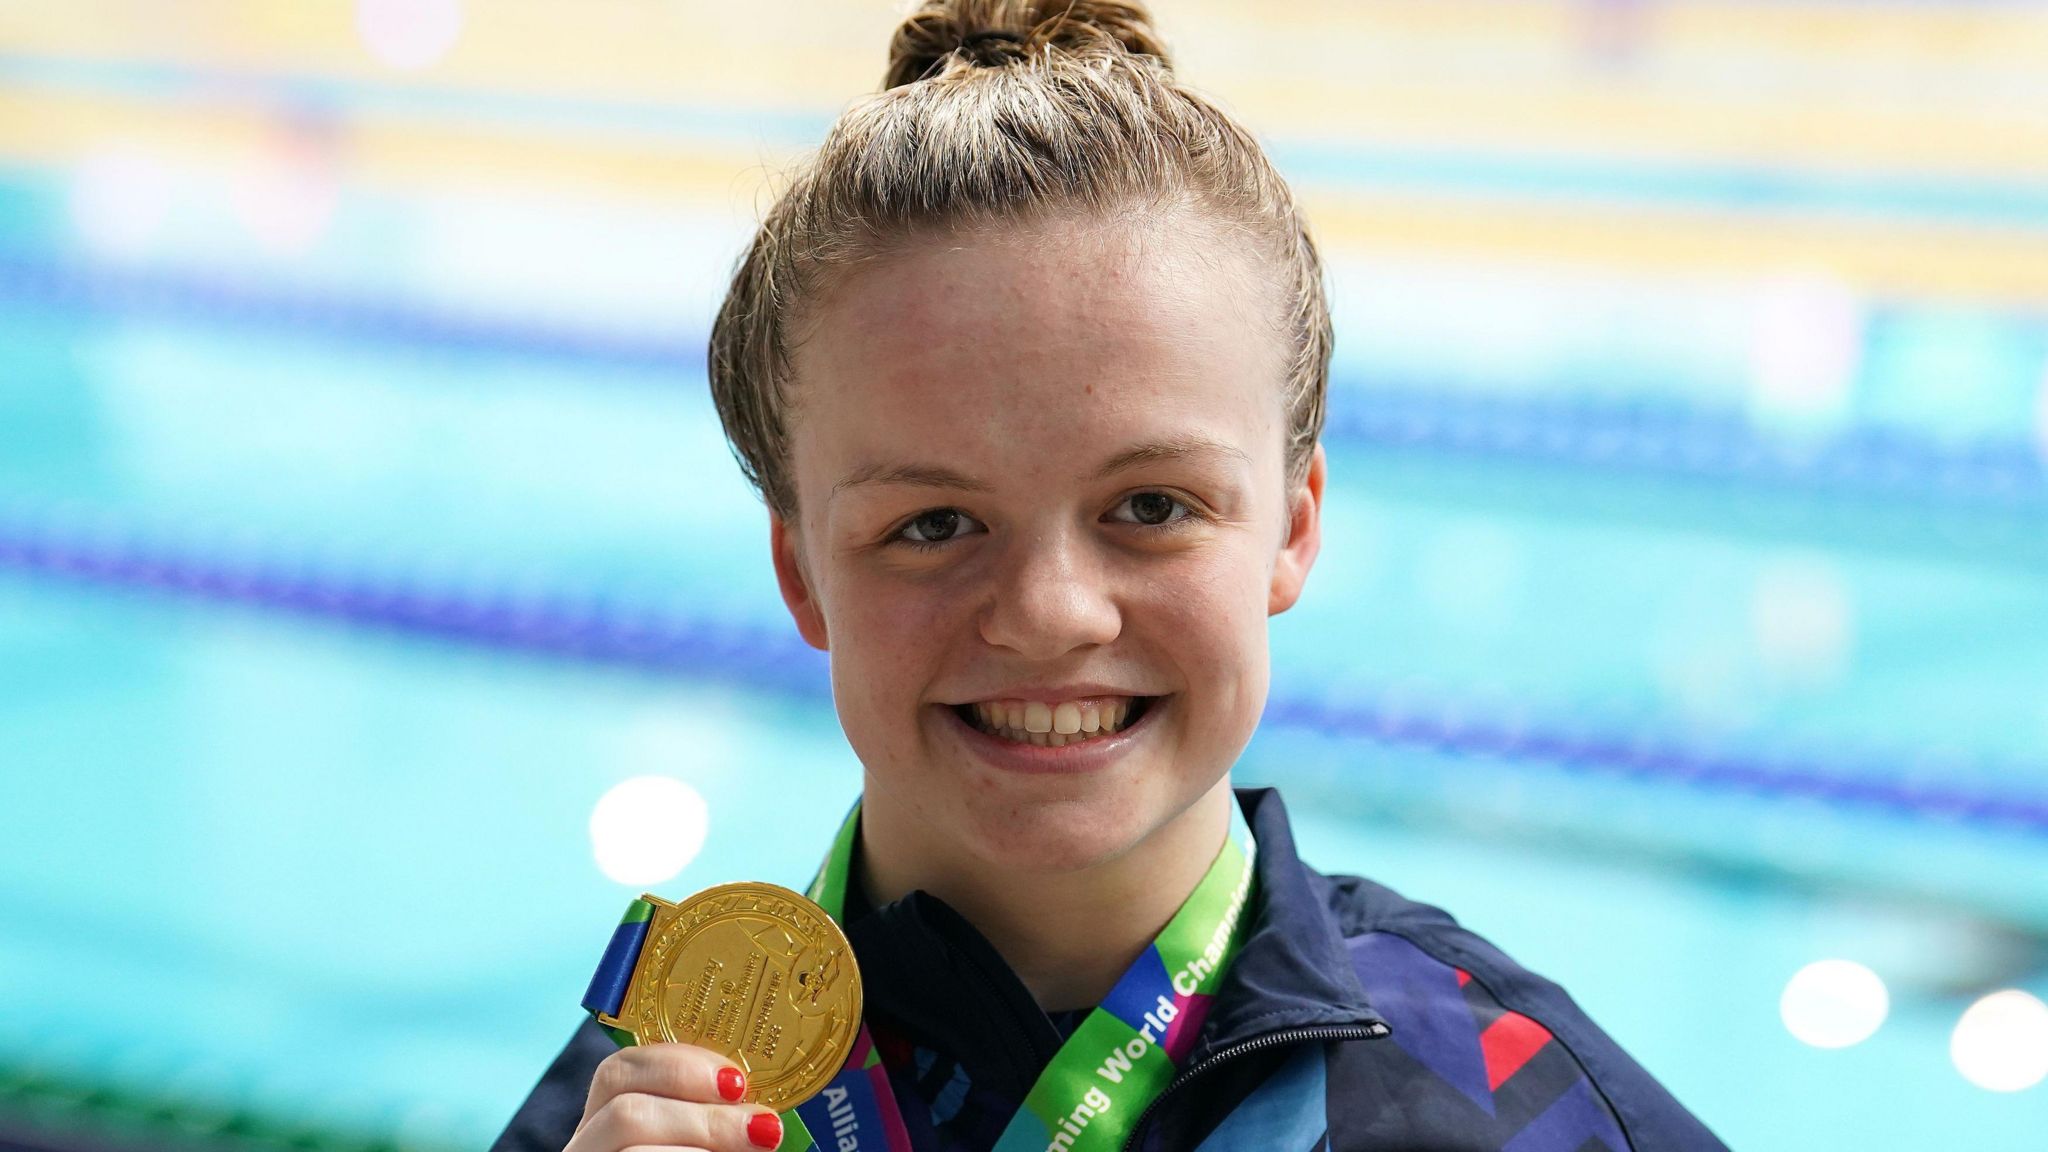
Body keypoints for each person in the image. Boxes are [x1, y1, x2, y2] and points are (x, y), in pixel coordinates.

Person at [492, 2, 1728, 1149]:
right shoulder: (645, 1096)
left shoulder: (1519, 1105)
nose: (1049, 613)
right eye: (932, 523)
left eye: (1149, 507)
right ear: (801, 571)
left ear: (1292, 528)